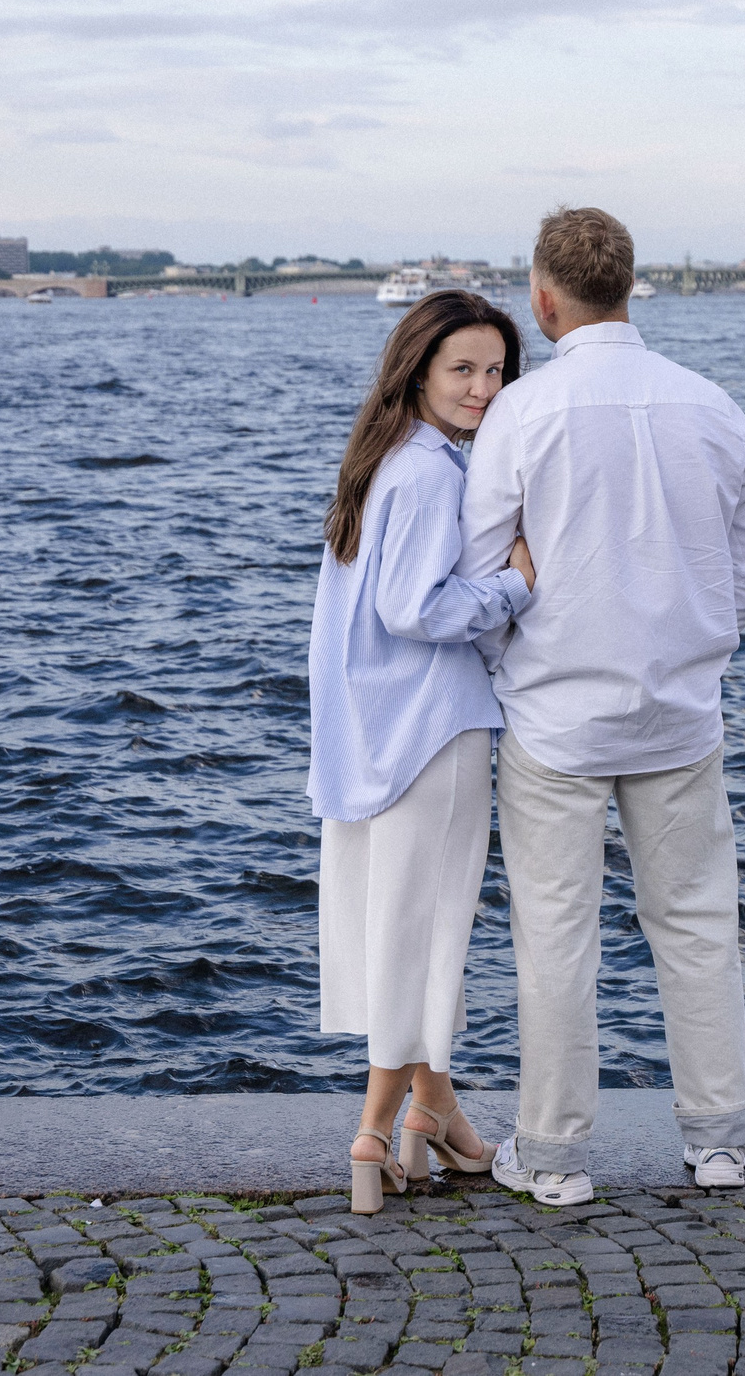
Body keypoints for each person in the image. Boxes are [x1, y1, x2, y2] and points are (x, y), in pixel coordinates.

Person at [457, 206, 745, 1206]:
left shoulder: (523, 411)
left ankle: (553, 1156)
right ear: (630, 287)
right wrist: (690, 626)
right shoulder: (710, 405)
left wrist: (520, 647)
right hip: (679, 711)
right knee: (694, 923)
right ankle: (718, 1140)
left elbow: (481, 572)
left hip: (554, 716)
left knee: (556, 935)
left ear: (543, 297)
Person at [310, 288, 539, 1213]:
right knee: (430, 932)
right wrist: (513, 588)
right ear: (418, 368)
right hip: (432, 730)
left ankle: (432, 1117)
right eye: (464, 369)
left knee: (385, 929)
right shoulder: (434, 474)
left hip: (368, 736)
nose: (484, 388)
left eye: (496, 371)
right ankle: (375, 1126)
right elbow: (417, 609)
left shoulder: (379, 461)